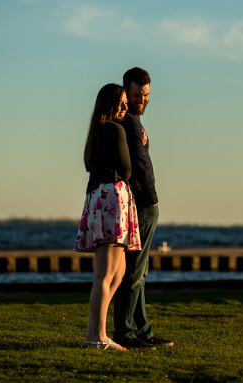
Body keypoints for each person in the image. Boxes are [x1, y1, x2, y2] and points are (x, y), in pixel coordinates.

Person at [74, 83, 142, 351]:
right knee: (105, 274)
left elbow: (91, 165)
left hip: (99, 197)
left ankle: (94, 332)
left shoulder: (96, 132)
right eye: (122, 102)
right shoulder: (114, 129)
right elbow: (126, 169)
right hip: (112, 197)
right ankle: (98, 336)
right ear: (111, 104)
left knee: (119, 270)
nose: (126, 106)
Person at [112, 67, 173, 349]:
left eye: (146, 95)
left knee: (140, 272)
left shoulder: (131, 120)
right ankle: (125, 333)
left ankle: (142, 330)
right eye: (137, 95)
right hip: (143, 204)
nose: (142, 99)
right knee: (134, 273)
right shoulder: (130, 123)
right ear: (127, 92)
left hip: (140, 204)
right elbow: (139, 166)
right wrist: (152, 200)